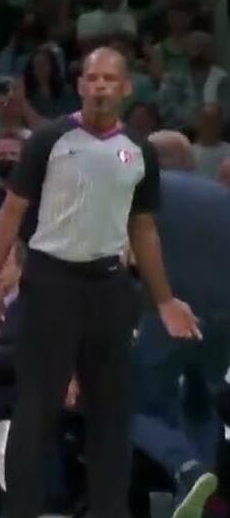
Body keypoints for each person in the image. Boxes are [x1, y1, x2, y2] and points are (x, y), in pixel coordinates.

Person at [0, 47, 202, 518]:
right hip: (51, 281)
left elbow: (143, 229)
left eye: (109, 79)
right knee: (36, 410)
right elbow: (12, 212)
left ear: (126, 88)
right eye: (92, 77)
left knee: (111, 417)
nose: (99, 85)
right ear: (80, 86)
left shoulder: (139, 151)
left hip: (109, 286)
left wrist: (164, 300)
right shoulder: (49, 139)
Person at [132, 131, 226, 518]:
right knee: (201, 404)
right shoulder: (222, 196)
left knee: (131, 404)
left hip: (170, 311)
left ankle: (187, 469)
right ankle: (204, 499)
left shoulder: (145, 197)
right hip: (223, 319)